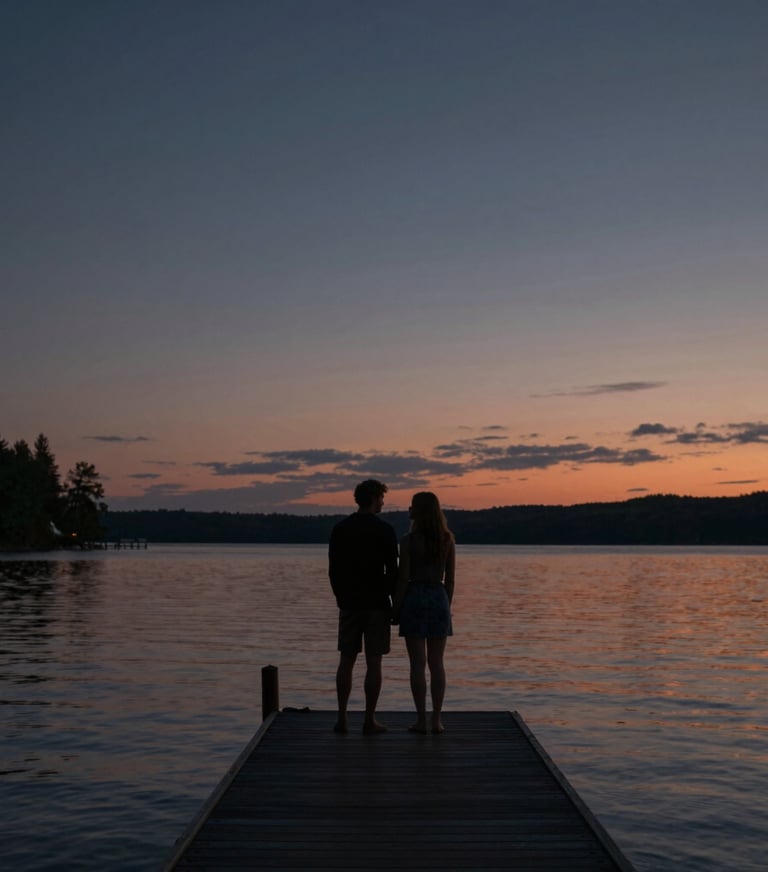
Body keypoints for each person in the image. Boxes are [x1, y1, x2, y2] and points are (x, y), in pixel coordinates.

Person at [328, 479, 399, 735]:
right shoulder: (385, 531)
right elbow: (393, 572)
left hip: (349, 602)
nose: (383, 502)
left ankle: (342, 717)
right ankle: (369, 719)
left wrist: (340, 597)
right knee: (374, 662)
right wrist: (394, 603)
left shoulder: (341, 529)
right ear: (373, 498)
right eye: (381, 498)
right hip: (377, 603)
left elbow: (333, 570)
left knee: (346, 660)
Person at [393, 491, 455, 735]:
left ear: (418, 511)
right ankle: (437, 720)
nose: (408, 509)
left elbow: (402, 578)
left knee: (417, 664)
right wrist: (446, 606)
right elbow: (450, 580)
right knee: (437, 663)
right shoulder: (447, 540)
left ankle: (421, 719)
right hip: (438, 597)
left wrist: (396, 609)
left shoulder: (408, 541)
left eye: (412, 506)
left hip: (415, 598)